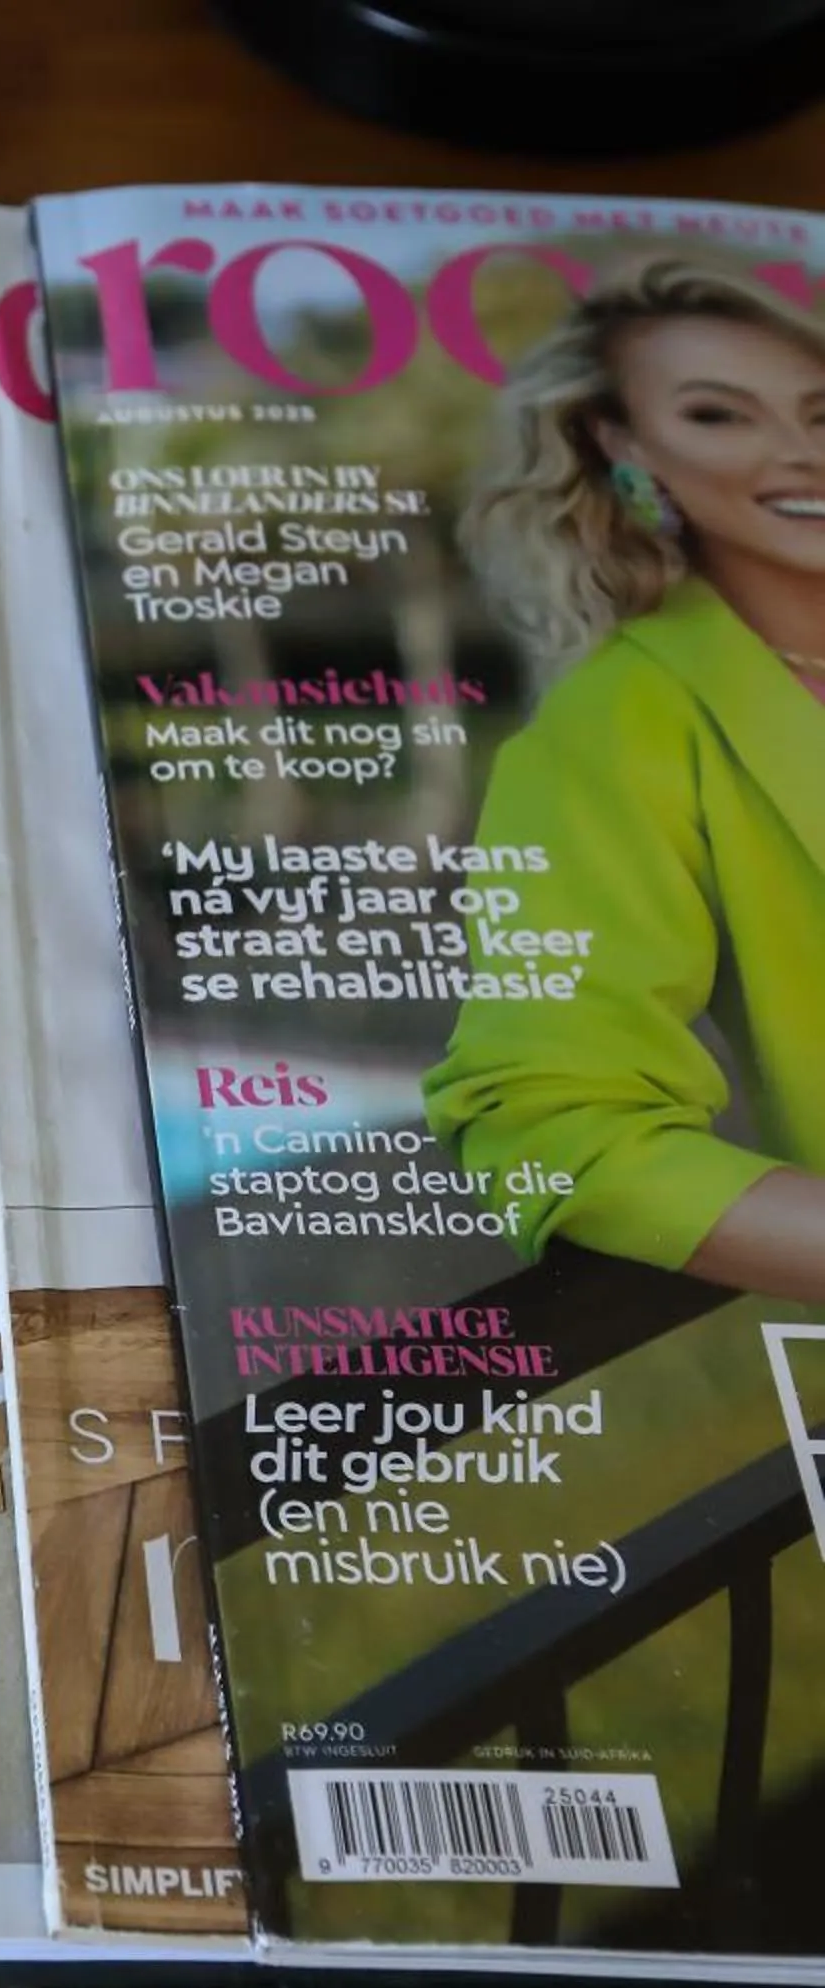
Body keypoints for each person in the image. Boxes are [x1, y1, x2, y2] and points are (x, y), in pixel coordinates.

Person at [431, 256, 825, 1299]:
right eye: (718, 415)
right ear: (622, 446)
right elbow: (555, 1124)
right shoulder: (618, 723)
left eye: (821, 412)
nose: (799, 453)